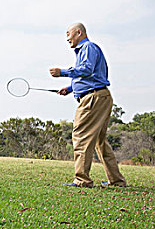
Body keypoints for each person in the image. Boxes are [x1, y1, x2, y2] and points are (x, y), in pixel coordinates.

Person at [49, 23, 126, 187]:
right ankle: (116, 180)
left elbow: (86, 69)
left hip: (93, 99)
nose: (67, 38)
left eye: (68, 34)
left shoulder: (88, 47)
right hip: (100, 96)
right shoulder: (88, 49)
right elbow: (92, 74)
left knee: (81, 136)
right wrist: (70, 88)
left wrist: (62, 72)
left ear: (79, 32)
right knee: (100, 140)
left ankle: (82, 180)